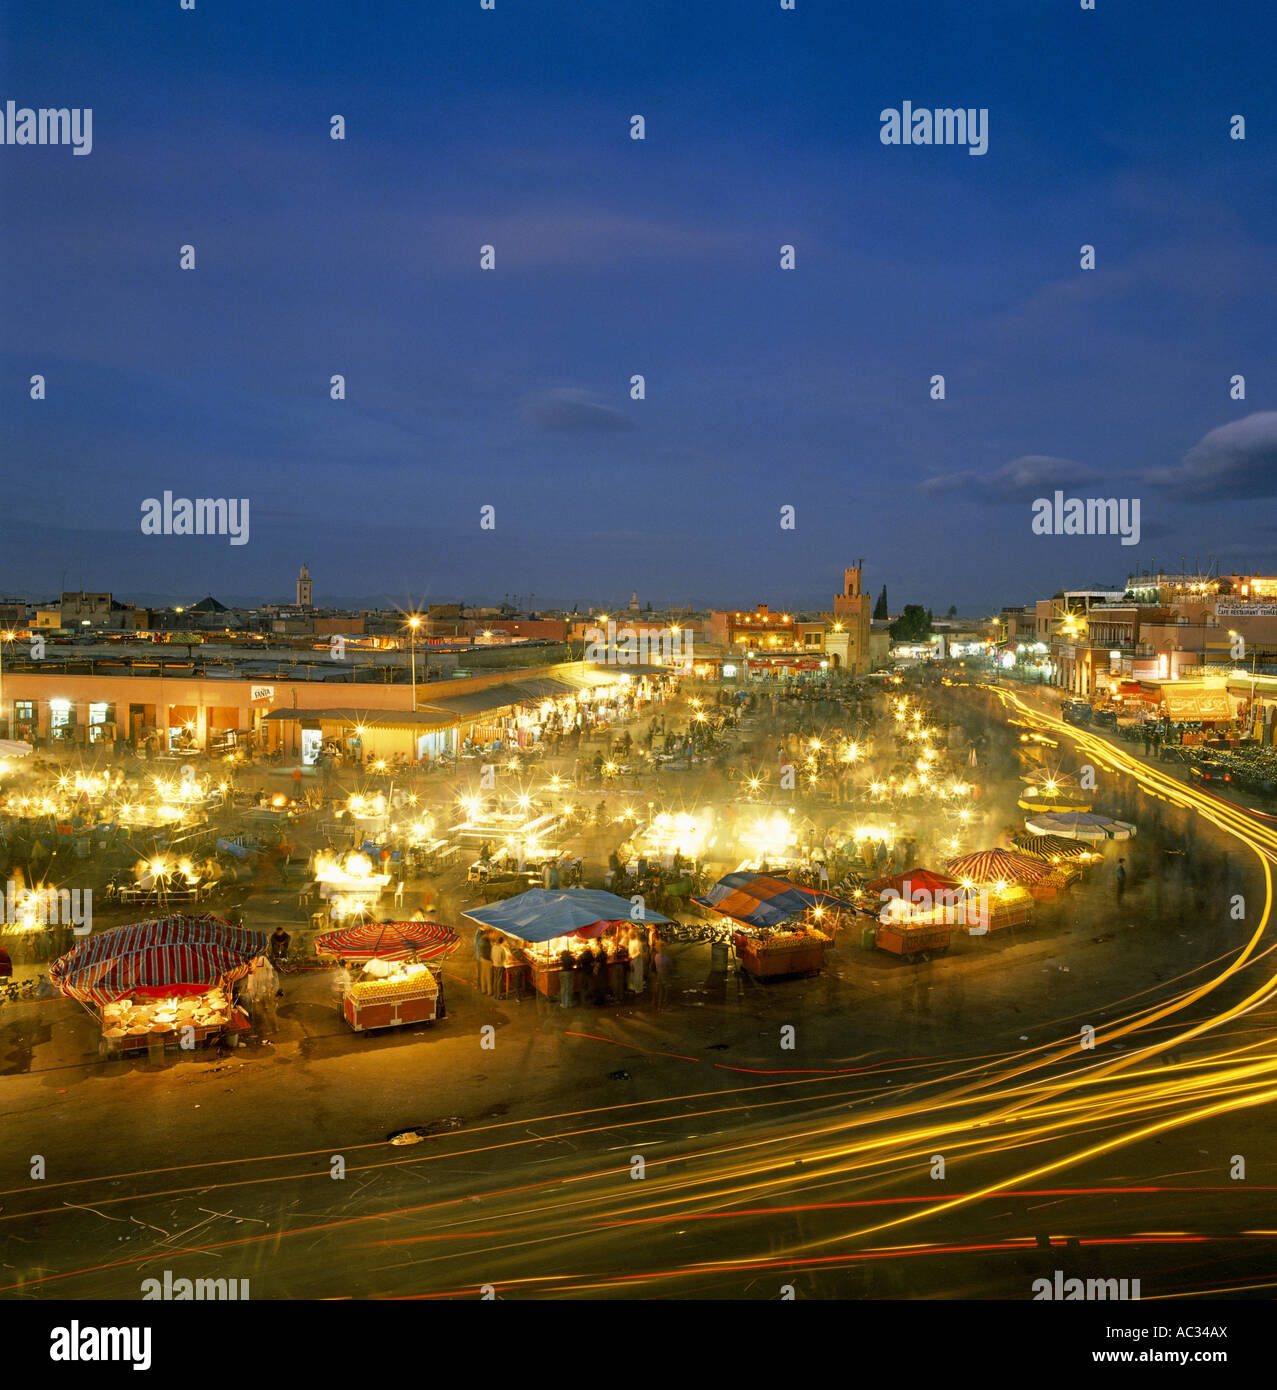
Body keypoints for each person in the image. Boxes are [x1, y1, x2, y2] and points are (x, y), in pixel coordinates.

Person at [490, 933, 508, 998]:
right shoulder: (502, 949)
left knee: (495, 980)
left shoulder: (494, 947)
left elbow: (491, 956)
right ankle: (498, 995)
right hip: (500, 966)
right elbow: (505, 958)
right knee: (499, 981)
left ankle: (495, 994)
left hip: (494, 965)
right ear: (502, 942)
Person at [478, 929, 494, 995]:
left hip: (482, 959)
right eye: (491, 934)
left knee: (483, 976)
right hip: (487, 960)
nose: (492, 935)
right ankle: (489, 992)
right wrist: (491, 960)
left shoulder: (481, 940)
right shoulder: (486, 942)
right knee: (488, 976)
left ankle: (483, 990)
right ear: (488, 934)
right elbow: (488, 952)